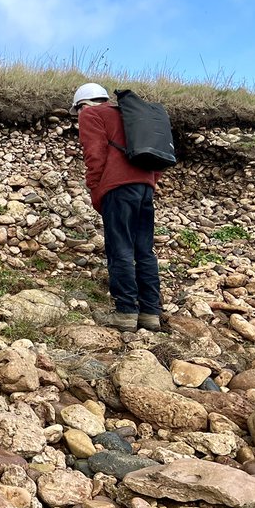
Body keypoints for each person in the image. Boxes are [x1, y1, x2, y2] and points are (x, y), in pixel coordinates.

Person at [72, 82, 162, 332]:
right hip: (145, 187)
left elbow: (95, 154)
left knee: (120, 247)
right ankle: (150, 313)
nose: (78, 116)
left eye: (77, 110)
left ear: (82, 104)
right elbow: (158, 151)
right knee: (144, 251)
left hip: (117, 188)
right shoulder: (129, 114)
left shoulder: (91, 114)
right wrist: (150, 182)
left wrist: (96, 189)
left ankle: (125, 312)